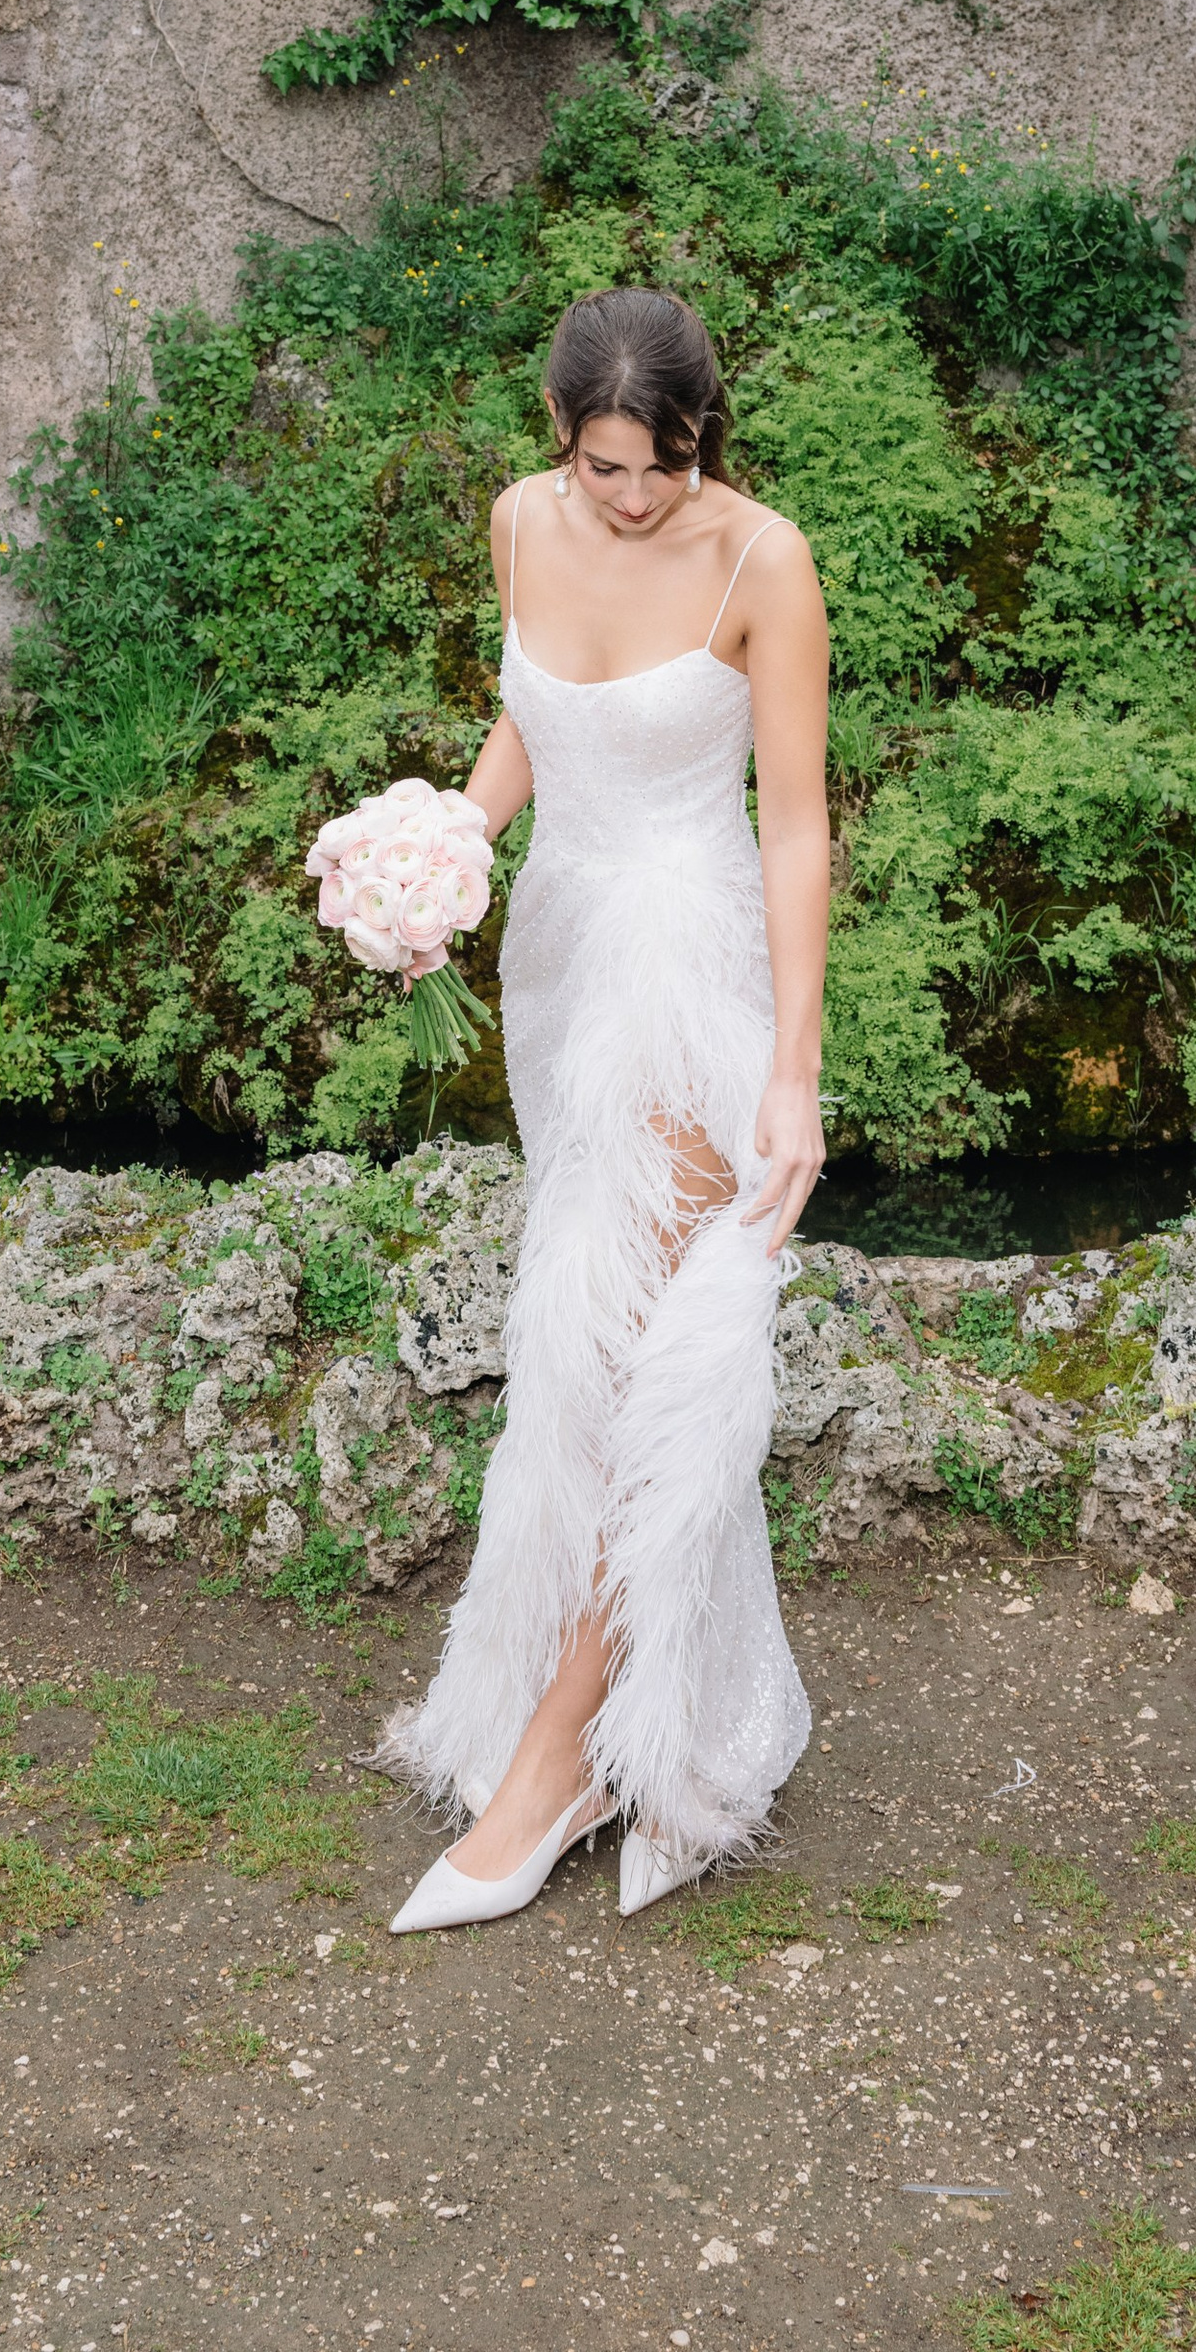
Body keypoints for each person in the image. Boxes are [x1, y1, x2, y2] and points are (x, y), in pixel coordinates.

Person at [380, 285, 831, 1927]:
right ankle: (675, 1723)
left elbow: (793, 829)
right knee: (581, 1351)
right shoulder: (518, 523)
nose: (626, 498)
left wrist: (790, 1071)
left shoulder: (758, 561)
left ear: (698, 438)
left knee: (643, 1355)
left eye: (654, 466)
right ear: (556, 441)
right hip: (560, 969)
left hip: (688, 968)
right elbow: (535, 721)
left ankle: (562, 1751)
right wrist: (452, 843)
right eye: (598, 467)